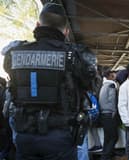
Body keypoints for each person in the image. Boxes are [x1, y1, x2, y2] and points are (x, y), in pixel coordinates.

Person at [1, 3, 96, 160]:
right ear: (66, 32)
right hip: (61, 138)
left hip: (24, 137)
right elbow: (92, 85)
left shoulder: (14, 53)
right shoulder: (75, 56)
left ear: (38, 25)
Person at [99, 70, 119, 160]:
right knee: (114, 137)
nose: (116, 76)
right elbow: (112, 100)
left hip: (103, 114)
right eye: (114, 74)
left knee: (107, 138)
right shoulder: (111, 85)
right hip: (110, 114)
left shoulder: (103, 85)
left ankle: (107, 155)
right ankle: (105, 157)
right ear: (110, 76)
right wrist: (114, 111)